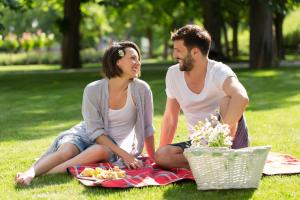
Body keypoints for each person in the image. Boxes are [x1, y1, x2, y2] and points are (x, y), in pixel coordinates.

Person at [16, 41, 155, 185]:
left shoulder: (142, 89)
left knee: (101, 150)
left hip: (111, 146)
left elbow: (147, 127)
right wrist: (126, 156)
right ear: (117, 61)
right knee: (66, 152)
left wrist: (153, 159)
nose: (138, 63)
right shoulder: (92, 90)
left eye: (139, 59)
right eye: (133, 58)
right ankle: (31, 172)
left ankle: (47, 172)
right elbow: (95, 131)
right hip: (85, 133)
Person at [154, 24, 249, 169]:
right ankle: (214, 162)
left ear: (195, 52)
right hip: (199, 144)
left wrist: (219, 136)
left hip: (229, 140)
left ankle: (223, 155)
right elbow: (170, 117)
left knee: (228, 99)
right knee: (162, 155)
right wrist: (158, 156)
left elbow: (241, 97)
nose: (174, 55)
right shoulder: (173, 74)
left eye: (178, 50)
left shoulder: (219, 71)